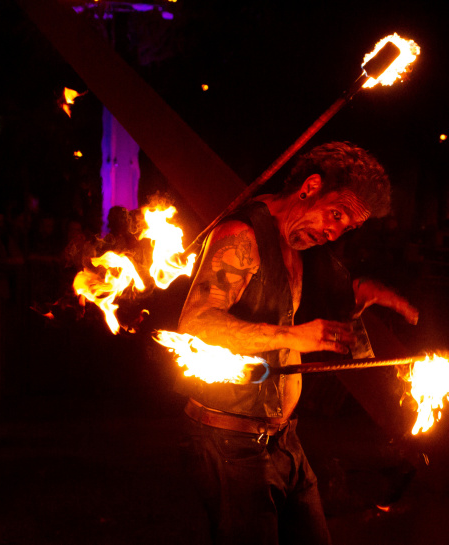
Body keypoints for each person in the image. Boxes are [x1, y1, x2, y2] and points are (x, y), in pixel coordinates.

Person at [176, 141, 418, 545]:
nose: (333, 231)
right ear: (309, 187)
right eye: (336, 214)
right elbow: (196, 323)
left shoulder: (299, 247)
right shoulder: (243, 236)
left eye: (347, 227)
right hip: (230, 442)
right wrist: (294, 336)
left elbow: (292, 319)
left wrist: (355, 307)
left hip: (284, 440)